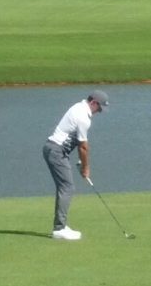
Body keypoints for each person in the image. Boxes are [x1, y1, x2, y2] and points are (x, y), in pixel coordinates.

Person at [43, 90, 110, 240]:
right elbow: (84, 147)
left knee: (65, 186)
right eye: (99, 108)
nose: (99, 112)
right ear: (93, 102)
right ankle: (59, 228)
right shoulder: (84, 118)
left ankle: (61, 226)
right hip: (56, 151)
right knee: (67, 187)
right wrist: (86, 168)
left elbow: (74, 141)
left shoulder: (78, 107)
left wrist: (80, 162)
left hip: (54, 149)